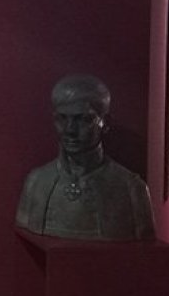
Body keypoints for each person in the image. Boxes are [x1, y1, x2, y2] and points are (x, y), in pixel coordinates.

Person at [15, 74, 155, 241]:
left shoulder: (131, 189)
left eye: (83, 119)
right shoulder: (35, 183)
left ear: (105, 123)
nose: (70, 130)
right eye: (62, 118)